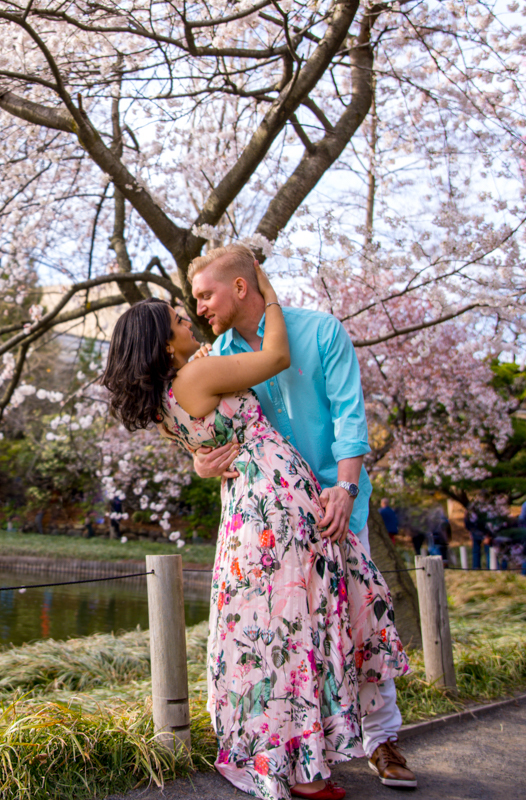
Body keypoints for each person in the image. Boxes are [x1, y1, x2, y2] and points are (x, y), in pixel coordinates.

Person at [99, 267, 409, 800]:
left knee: (275, 631)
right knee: (295, 627)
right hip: (274, 500)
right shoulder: (198, 374)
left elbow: (203, 444)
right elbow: (275, 360)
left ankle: (309, 759)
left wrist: (199, 463)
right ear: (163, 341)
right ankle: (307, 768)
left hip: (248, 508)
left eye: (194, 303)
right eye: (178, 317)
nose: (190, 315)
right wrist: (269, 296)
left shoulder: (168, 394)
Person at [188, 245, 417, 792]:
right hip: (269, 525)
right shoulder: (213, 358)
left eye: (206, 294)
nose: (198, 307)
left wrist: (345, 487)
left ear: (241, 287)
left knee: (359, 617)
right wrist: (200, 463)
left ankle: (382, 740)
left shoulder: (320, 331)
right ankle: (310, 749)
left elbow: (349, 415)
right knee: (291, 635)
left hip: (336, 505)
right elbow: (203, 425)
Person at [463, 504, 488, 570]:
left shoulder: (471, 512)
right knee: (479, 551)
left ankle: (478, 567)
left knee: (485, 551)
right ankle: (477, 567)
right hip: (479, 533)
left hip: (481, 533)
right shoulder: (482, 511)